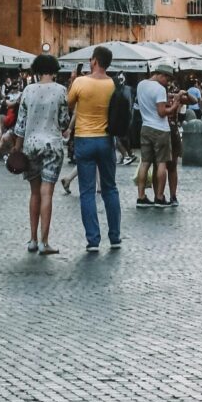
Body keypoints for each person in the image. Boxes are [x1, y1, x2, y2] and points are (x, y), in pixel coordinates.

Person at [66, 44, 123, 254]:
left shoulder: (80, 82)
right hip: (107, 139)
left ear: (94, 61)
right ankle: (115, 236)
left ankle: (93, 239)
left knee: (87, 191)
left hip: (84, 139)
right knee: (110, 188)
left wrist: (73, 81)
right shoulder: (113, 84)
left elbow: (69, 105)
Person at [15, 52, 70, 255]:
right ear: (54, 70)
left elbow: (20, 124)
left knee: (34, 193)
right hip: (52, 146)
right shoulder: (61, 91)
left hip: (30, 145)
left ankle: (32, 239)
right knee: (48, 193)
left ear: (37, 70)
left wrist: (16, 147)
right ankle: (45, 243)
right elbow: (64, 123)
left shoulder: (28, 91)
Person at [133, 69, 173, 207]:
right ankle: (160, 197)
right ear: (161, 75)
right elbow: (162, 112)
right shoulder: (159, 89)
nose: (167, 83)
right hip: (160, 129)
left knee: (145, 163)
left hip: (145, 127)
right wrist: (174, 106)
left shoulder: (141, 84)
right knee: (162, 163)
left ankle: (141, 197)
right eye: (167, 80)